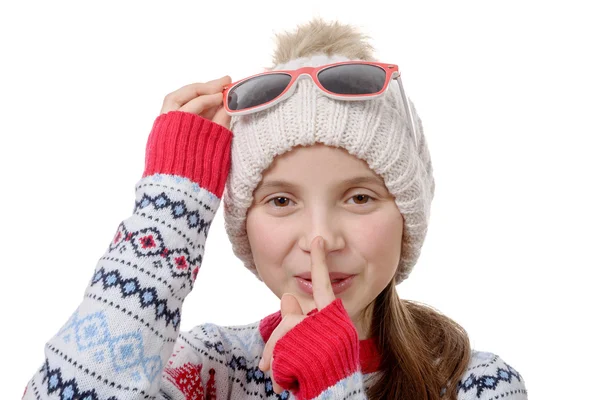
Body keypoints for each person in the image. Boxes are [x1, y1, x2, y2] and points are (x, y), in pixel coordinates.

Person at [22, 17, 528, 400]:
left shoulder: (479, 385)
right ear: (244, 224)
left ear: (408, 219)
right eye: (281, 200)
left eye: (359, 198)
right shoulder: (210, 369)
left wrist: (331, 383)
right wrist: (169, 207)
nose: (320, 239)